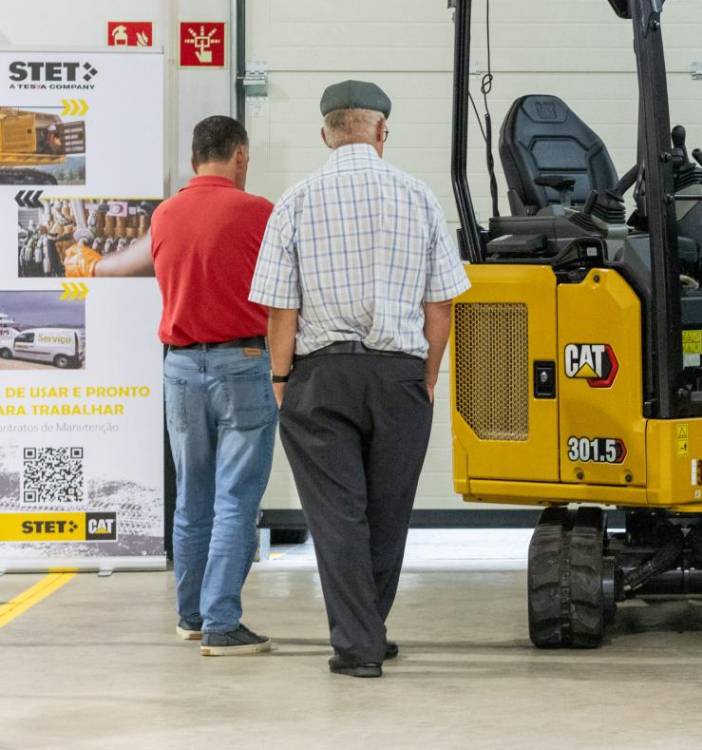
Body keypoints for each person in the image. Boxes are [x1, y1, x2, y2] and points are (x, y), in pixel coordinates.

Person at [250, 80, 470, 679]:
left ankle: (358, 641)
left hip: (320, 377)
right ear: (381, 131)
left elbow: (280, 311)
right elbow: (442, 307)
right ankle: (368, 629)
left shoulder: (295, 201)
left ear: (326, 132)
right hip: (399, 375)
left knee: (337, 514)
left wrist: (280, 380)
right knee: (388, 510)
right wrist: (426, 378)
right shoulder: (420, 199)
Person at [151, 115, 277, 656]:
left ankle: (191, 616)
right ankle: (223, 622)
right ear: (240, 156)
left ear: (195, 155)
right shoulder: (258, 212)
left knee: (191, 498)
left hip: (179, 367)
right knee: (235, 501)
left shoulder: (164, 215)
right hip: (243, 363)